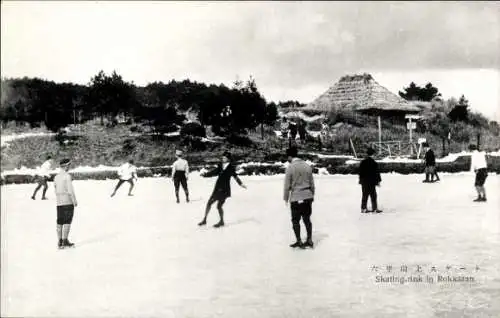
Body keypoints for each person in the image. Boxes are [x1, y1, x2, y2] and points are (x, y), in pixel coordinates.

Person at [198, 151, 247, 228]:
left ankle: (221, 221)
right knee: (209, 203)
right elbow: (214, 172)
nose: (223, 158)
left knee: (219, 206)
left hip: (225, 189)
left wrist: (241, 184)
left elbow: (235, 176)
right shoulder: (220, 166)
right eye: (222, 157)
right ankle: (204, 220)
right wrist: (205, 175)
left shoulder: (231, 167)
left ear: (228, 159)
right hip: (217, 187)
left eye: (224, 158)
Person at [283, 146, 315, 249]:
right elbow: (312, 184)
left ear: (290, 156)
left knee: (295, 220)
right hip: (307, 197)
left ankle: (299, 241)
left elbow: (287, 185)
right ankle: (309, 239)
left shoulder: (290, 167)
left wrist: (286, 198)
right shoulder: (307, 166)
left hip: (296, 198)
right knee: (307, 219)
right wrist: (311, 196)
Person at [54, 158, 78, 249]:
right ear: (66, 166)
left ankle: (59, 241)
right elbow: (70, 190)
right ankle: (65, 240)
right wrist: (74, 200)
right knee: (67, 221)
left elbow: (55, 189)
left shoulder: (56, 177)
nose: (69, 167)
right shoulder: (67, 176)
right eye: (69, 165)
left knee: (60, 221)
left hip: (59, 201)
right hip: (67, 201)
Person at [358, 147, 382, 213]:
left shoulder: (363, 162)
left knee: (364, 195)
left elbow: (360, 172)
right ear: (373, 154)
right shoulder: (374, 163)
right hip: (371, 182)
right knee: (373, 195)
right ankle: (374, 208)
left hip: (364, 182)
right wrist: (378, 182)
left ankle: (363, 208)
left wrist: (361, 180)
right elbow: (376, 173)